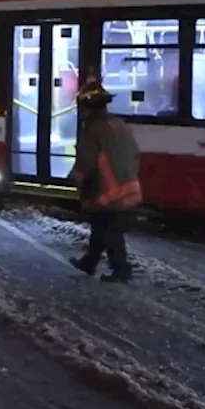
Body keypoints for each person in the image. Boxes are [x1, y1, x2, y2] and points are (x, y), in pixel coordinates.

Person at [69, 78, 143, 283]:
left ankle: (121, 270)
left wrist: (75, 181)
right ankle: (90, 262)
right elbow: (136, 155)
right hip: (129, 186)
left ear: (87, 108)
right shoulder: (119, 124)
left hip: (109, 191)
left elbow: (86, 163)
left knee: (110, 231)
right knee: (101, 226)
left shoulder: (92, 130)